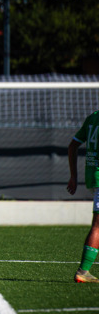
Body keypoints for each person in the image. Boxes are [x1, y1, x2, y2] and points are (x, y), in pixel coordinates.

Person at [67, 110, 99, 283]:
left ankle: (84, 270)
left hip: (92, 176)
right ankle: (83, 270)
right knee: (98, 226)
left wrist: (74, 176)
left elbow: (73, 145)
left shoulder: (93, 117)